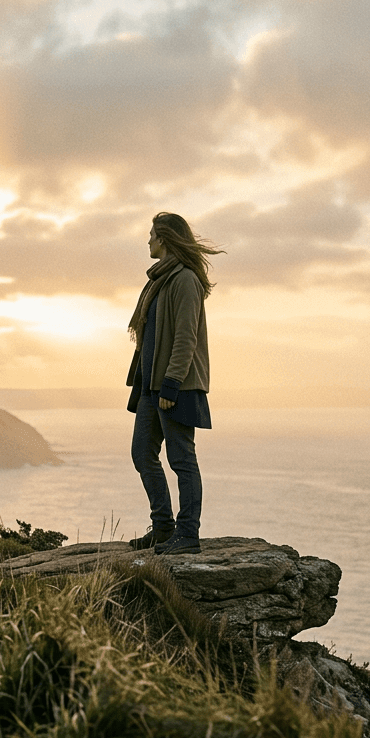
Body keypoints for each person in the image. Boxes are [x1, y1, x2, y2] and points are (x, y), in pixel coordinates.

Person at [126, 212, 222, 555]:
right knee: (142, 453)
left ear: (164, 238)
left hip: (174, 386)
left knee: (181, 459)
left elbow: (186, 337)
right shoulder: (158, 280)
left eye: (151, 234)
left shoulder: (184, 280)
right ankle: (164, 527)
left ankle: (188, 534)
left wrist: (171, 384)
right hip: (152, 385)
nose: (148, 240)